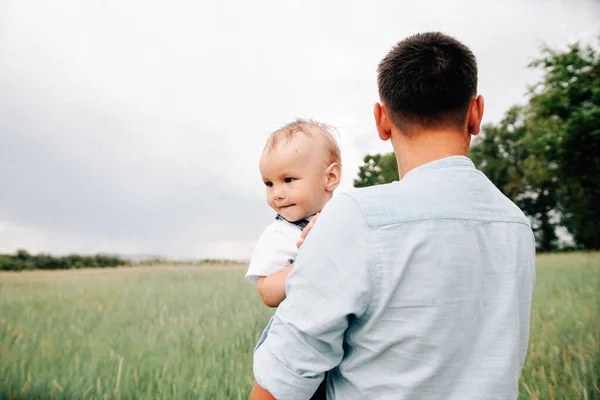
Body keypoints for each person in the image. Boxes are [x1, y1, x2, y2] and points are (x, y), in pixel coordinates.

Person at [250, 32, 536, 400]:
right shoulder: (515, 224)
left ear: (382, 120)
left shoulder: (355, 217)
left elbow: (284, 377)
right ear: (476, 113)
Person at [245, 119, 342, 307]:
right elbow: (267, 293)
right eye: (269, 184)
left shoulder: (343, 219)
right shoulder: (279, 234)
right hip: (306, 329)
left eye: (288, 179)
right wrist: (308, 260)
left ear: (330, 177)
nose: (276, 194)